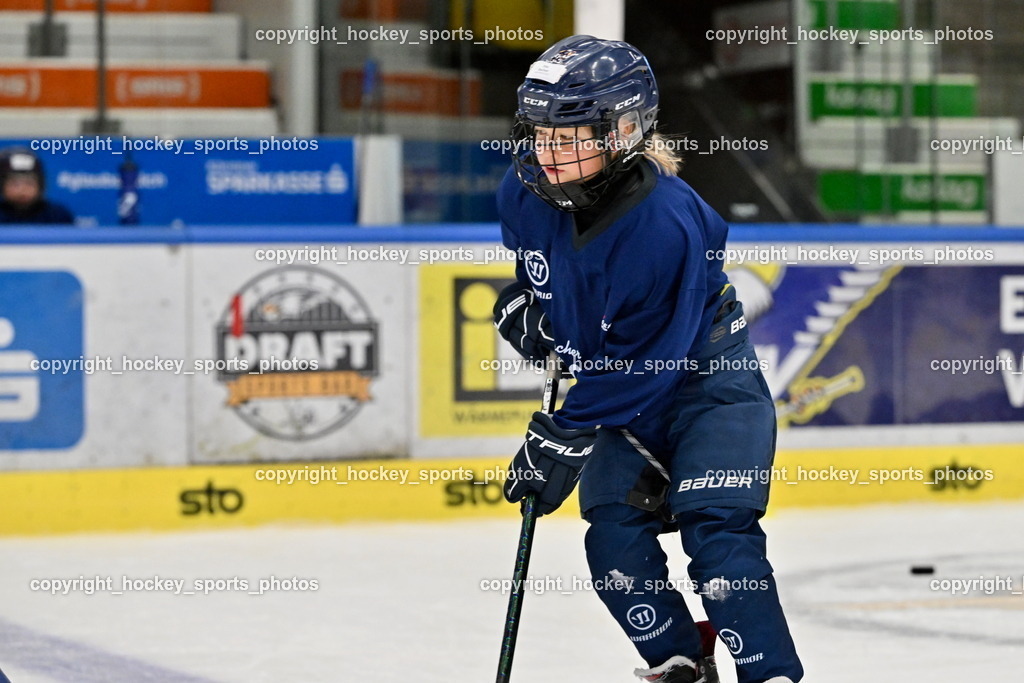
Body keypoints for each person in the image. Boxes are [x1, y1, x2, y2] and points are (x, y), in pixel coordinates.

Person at [493, 35, 803, 683]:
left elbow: (649, 363)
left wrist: (565, 434)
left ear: (627, 128)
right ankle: (680, 660)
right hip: (622, 401)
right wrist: (531, 310)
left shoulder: (665, 222)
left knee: (718, 542)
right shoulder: (521, 193)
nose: (551, 153)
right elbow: (551, 278)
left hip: (708, 393)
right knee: (612, 542)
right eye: (543, 132)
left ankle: (769, 672)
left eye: (573, 134)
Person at [0, 147, 74, 224]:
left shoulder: (58, 216)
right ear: (2, 186)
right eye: (15, 184)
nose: (22, 189)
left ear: (41, 185)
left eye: (29, 183)